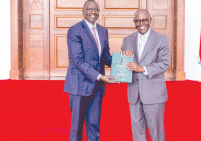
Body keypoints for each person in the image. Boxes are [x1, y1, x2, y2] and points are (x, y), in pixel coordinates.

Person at [63, 0, 126, 140]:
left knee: (94, 125)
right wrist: (100, 76)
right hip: (79, 85)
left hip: (97, 87)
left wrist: (123, 63)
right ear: (83, 11)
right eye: (90, 9)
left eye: (96, 9)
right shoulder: (75, 30)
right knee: (77, 126)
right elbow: (78, 60)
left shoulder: (103, 31)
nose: (93, 12)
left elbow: (105, 56)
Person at [121, 9, 171, 141]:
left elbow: (164, 64)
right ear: (134, 22)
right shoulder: (127, 41)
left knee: (157, 133)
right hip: (134, 94)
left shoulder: (161, 39)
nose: (141, 23)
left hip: (153, 93)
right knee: (137, 133)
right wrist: (123, 60)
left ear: (150, 21)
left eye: (144, 20)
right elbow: (123, 66)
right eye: (137, 20)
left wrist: (141, 68)